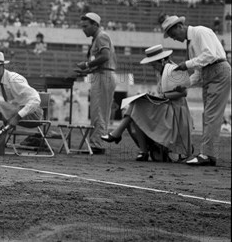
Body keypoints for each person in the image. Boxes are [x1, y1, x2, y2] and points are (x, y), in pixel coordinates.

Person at [161, 15, 231, 166]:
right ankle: (208, 154)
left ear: (179, 27)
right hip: (210, 72)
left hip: (218, 70)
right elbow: (199, 71)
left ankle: (207, 154)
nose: (174, 39)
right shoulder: (191, 43)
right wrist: (186, 84)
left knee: (211, 115)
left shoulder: (200, 32)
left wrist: (186, 64)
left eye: (173, 35)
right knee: (208, 115)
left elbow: (210, 55)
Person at [101, 45, 193, 161]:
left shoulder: (174, 70)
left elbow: (183, 93)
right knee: (137, 106)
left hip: (175, 112)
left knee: (137, 106)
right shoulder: (162, 71)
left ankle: (130, 142)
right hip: (167, 109)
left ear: (163, 60)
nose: (153, 67)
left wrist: (162, 96)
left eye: (154, 64)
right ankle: (126, 139)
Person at [74, 12, 117, 154]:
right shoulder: (97, 38)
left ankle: (98, 145)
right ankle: (96, 142)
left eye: (86, 26)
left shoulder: (101, 36)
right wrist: (86, 71)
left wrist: (86, 65)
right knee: (97, 110)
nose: (83, 29)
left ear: (95, 25)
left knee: (99, 111)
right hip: (100, 74)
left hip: (104, 76)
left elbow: (105, 56)